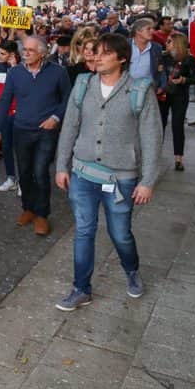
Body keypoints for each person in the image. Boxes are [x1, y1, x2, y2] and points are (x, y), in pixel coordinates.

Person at [53, 33, 162, 311]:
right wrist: (62, 165)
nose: (96, 57)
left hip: (121, 178)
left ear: (122, 58)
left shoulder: (139, 90)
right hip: (83, 172)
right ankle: (81, 289)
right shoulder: (83, 84)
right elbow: (70, 127)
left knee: (120, 233)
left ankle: (132, 270)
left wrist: (147, 181)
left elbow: (152, 138)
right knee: (84, 231)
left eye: (105, 53)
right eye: (94, 51)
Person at [0, 36, 71, 236]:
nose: (25, 53)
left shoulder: (58, 72)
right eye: (24, 49)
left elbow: (68, 99)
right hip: (21, 129)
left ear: (42, 53)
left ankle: (42, 214)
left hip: (46, 131)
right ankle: (28, 208)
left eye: (30, 50)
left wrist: (56, 118)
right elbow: (5, 100)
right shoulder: (15, 73)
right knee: (24, 171)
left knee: (40, 171)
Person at [160, 34, 195, 171]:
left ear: (177, 43)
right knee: (160, 125)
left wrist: (183, 80)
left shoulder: (188, 59)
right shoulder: (163, 57)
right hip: (163, 95)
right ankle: (155, 154)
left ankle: (178, 159)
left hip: (180, 96)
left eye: (169, 41)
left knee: (177, 126)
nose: (166, 43)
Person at [0, 41, 20, 194]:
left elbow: (23, 88)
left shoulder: (22, 68)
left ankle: (23, 181)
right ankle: (11, 178)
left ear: (12, 55)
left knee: (20, 149)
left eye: (2, 54)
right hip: (3, 114)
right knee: (6, 147)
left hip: (19, 114)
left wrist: (14, 68)